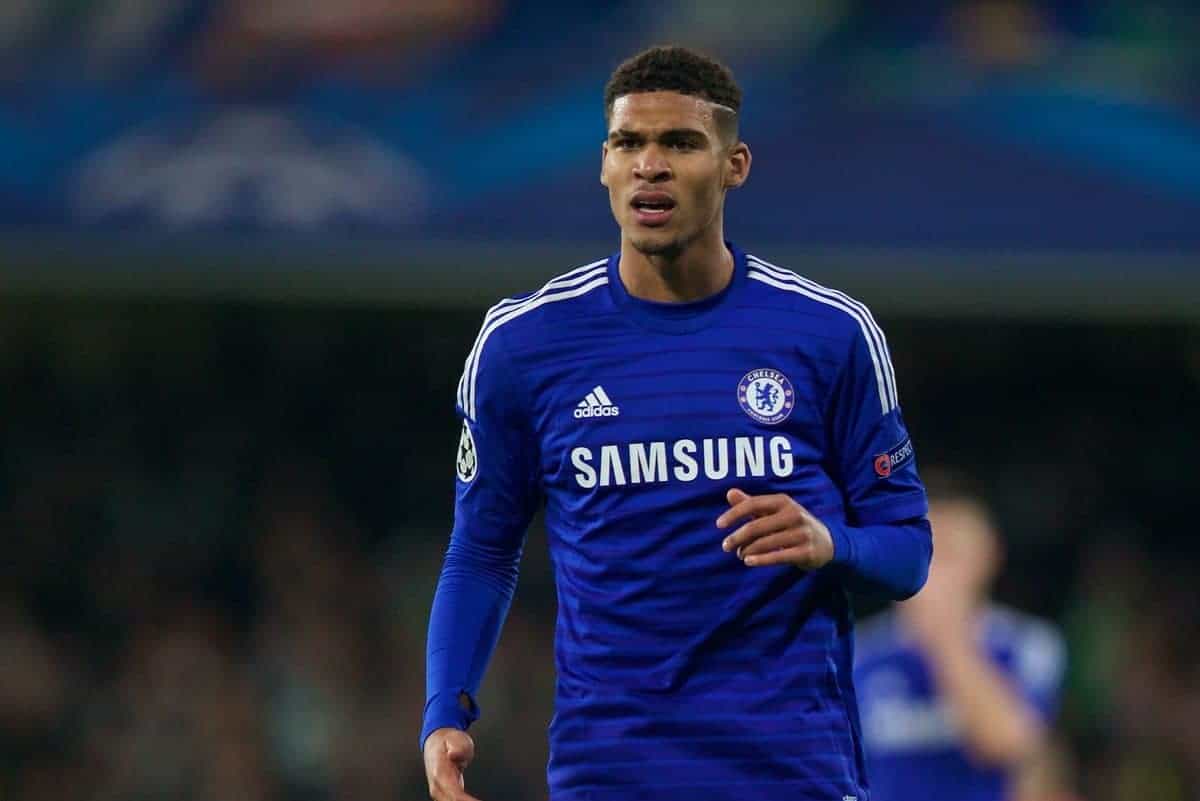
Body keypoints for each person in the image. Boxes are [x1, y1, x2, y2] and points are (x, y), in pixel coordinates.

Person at [421, 45, 933, 801]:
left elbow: (909, 548)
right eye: (630, 143)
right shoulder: (522, 347)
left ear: (735, 165)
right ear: (603, 163)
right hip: (612, 773)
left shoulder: (830, 335)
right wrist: (446, 708)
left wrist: (832, 543)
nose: (650, 165)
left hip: (790, 772)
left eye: (681, 143)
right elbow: (482, 549)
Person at [854, 469, 1067, 801]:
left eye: (950, 554)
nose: (934, 570)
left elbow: (1007, 743)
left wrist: (944, 638)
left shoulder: (1026, 644)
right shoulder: (858, 653)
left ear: (989, 555)